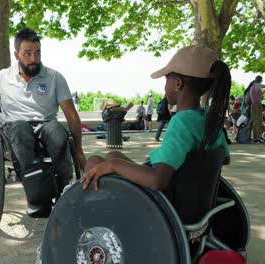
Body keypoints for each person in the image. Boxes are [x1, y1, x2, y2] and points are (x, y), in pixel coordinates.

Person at [82, 45, 230, 192]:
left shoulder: (182, 122)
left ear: (178, 83)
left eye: (166, 80)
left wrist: (113, 165)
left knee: (94, 162)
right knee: (113, 154)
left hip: (163, 201)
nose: (164, 87)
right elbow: (225, 158)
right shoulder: (208, 117)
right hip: (190, 193)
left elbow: (158, 181)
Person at [0, 28, 86, 217]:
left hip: (45, 123)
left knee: (59, 134)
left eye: (37, 53)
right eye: (27, 54)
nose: (34, 58)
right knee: (20, 129)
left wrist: (79, 149)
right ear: (17, 54)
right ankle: (37, 197)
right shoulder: (3, 77)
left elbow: (71, 114)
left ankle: (63, 191)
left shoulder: (54, 77)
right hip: (14, 126)